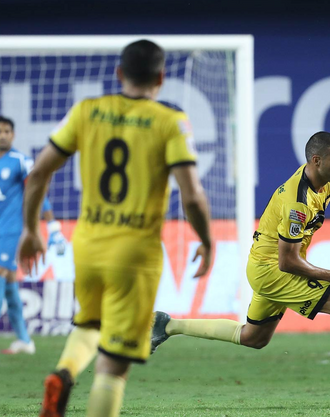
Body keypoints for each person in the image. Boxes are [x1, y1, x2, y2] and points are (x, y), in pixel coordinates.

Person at [151, 131, 330, 409]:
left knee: (253, 337)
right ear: (317, 161)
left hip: (264, 266)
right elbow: (288, 262)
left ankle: (168, 325)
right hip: (273, 270)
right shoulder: (297, 202)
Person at [18, 39, 212, 417]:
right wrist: (206, 239)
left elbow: (38, 173)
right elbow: (192, 195)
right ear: (161, 77)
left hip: (88, 245)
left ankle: (64, 371)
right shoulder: (170, 122)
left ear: (119, 73)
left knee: (92, 323)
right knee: (114, 365)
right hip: (134, 254)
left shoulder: (86, 111)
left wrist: (30, 229)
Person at [0, 115, 65, 355]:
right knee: (9, 286)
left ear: (13, 135)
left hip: (15, 231)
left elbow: (38, 190)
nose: (3, 135)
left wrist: (53, 226)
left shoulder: (20, 161)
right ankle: (25, 340)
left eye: (7, 131)